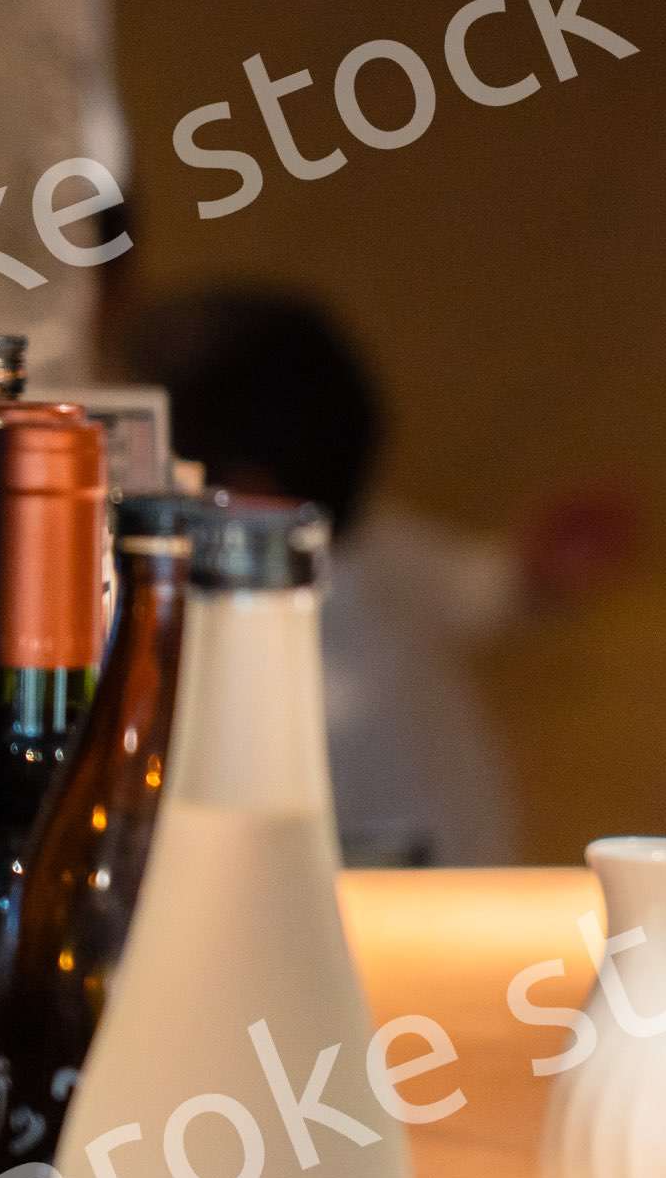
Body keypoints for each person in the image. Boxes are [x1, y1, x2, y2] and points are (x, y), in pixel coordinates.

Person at [119, 286, 625, 868]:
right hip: (467, 875)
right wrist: (535, 572)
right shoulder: (370, 541)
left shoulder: (304, 694)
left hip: (399, 903)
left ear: (245, 493)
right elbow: (481, 588)